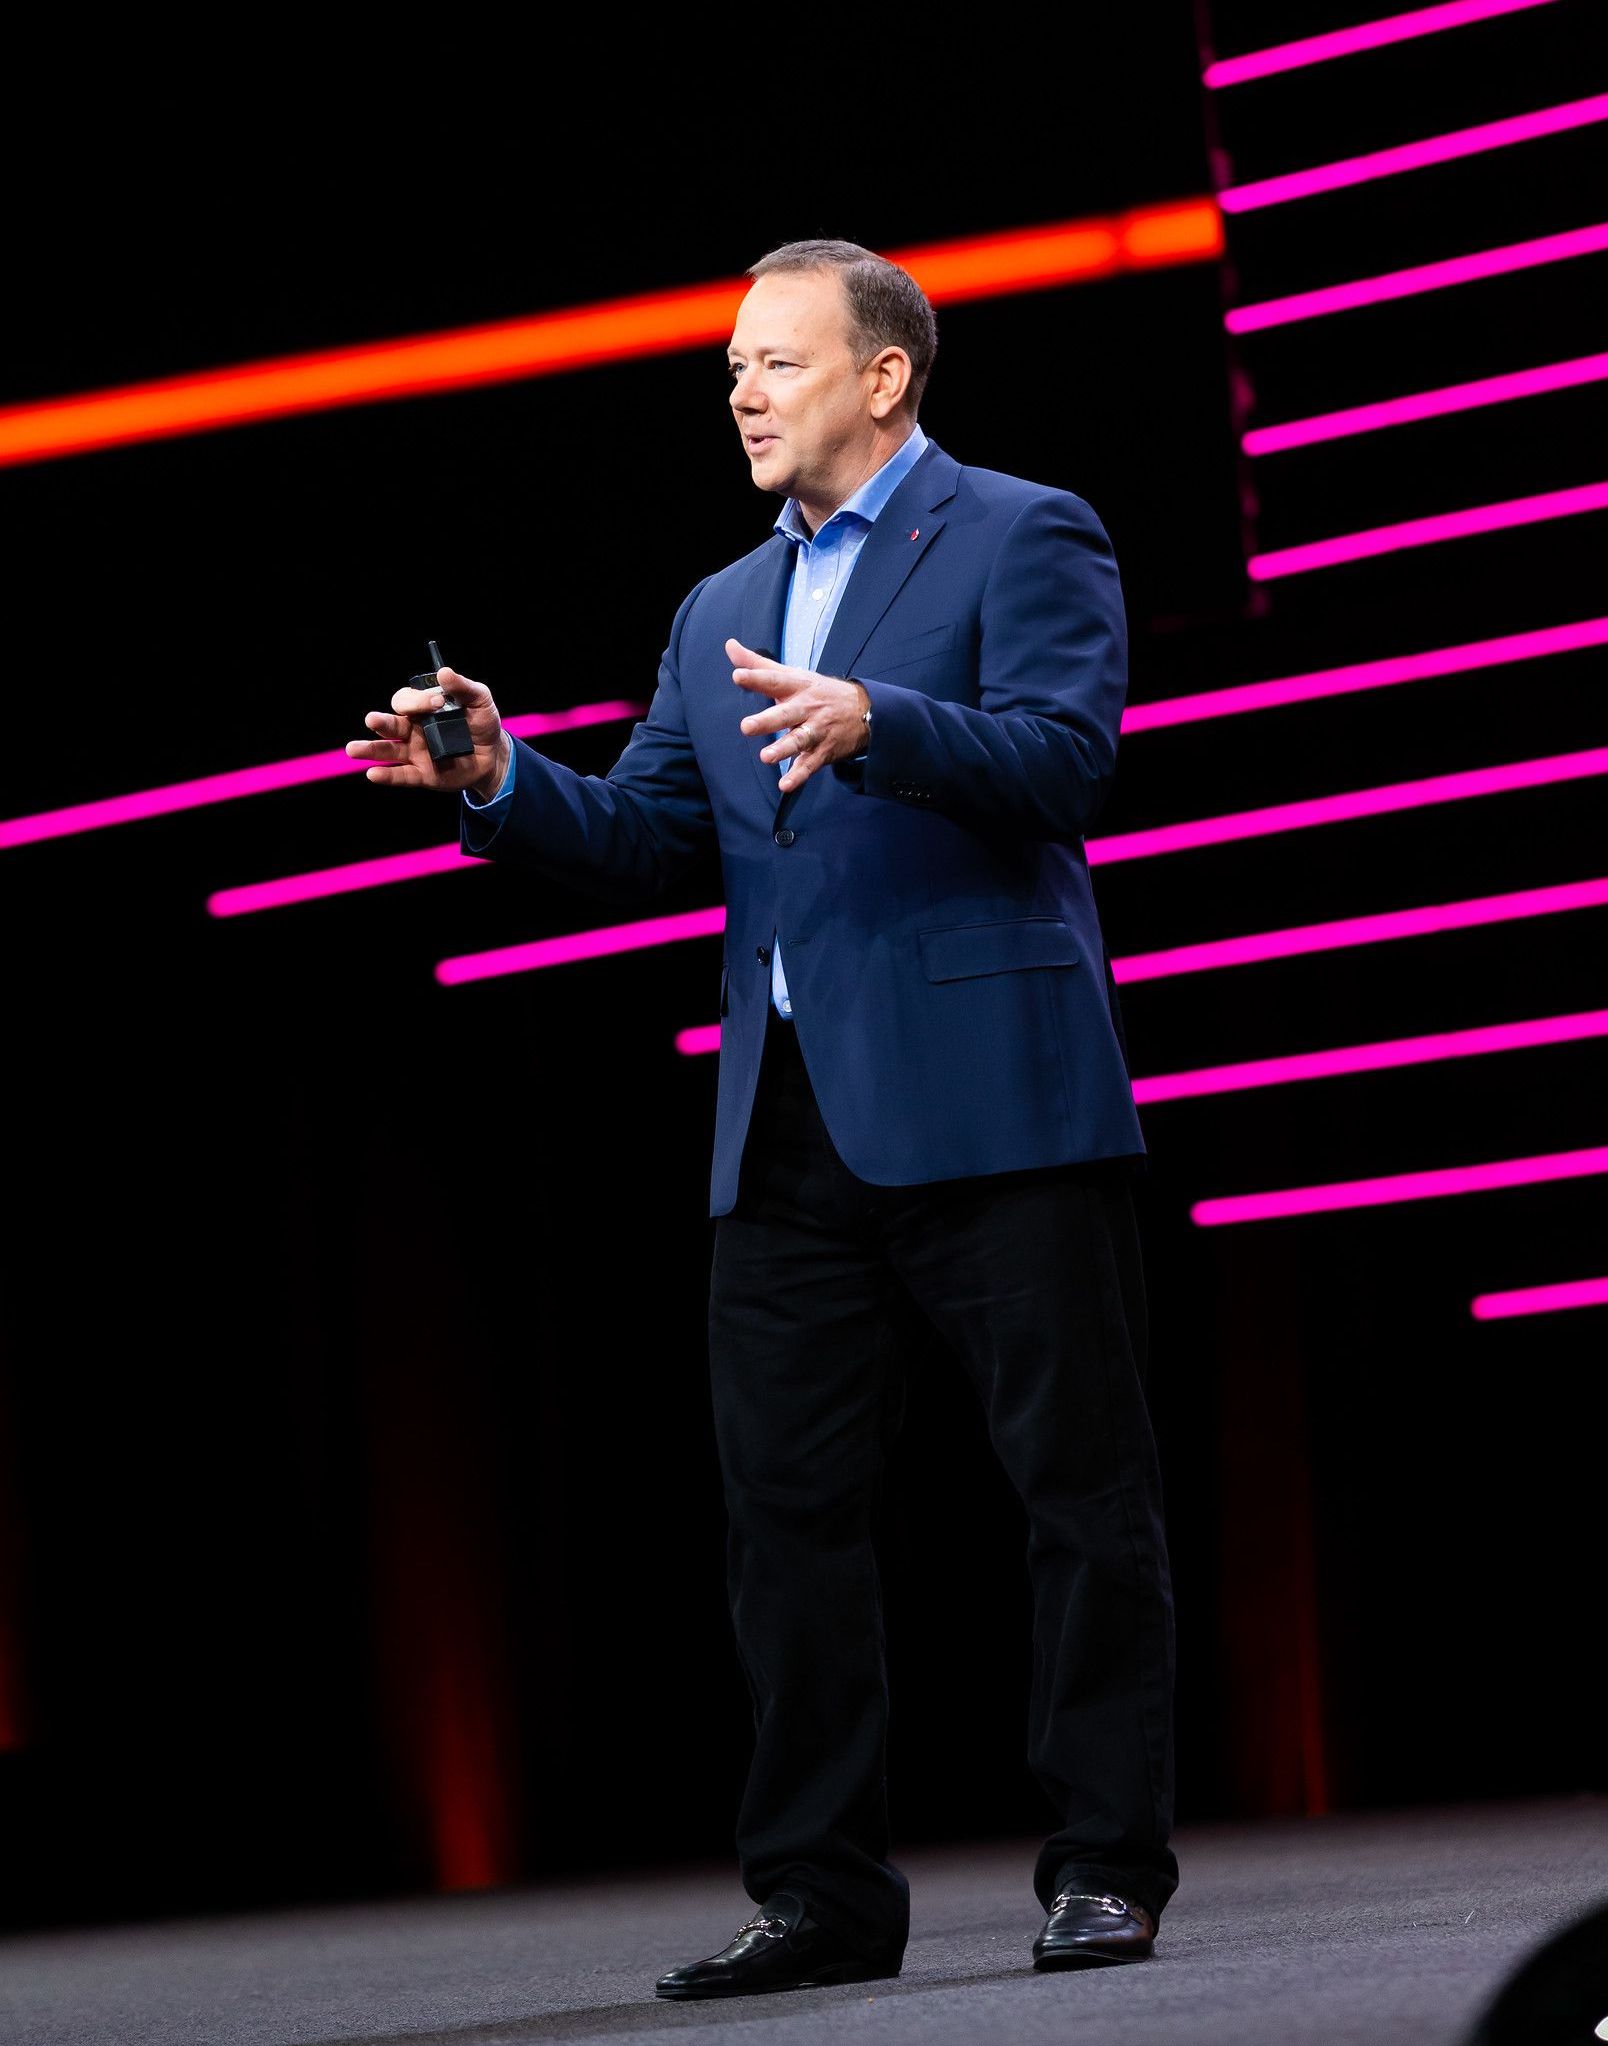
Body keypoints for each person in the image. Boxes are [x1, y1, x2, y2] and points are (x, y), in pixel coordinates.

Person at [348, 238, 1178, 1998]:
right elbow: (659, 832)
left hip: (998, 1100)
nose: (738, 389)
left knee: (1075, 1494)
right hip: (784, 1124)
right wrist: (498, 778)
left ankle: (1105, 1865)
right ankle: (820, 1893)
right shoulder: (717, 604)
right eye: (732, 363)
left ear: (884, 377)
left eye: (776, 363)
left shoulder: (1026, 530)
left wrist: (885, 720)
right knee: (783, 1514)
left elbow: (1069, 756)